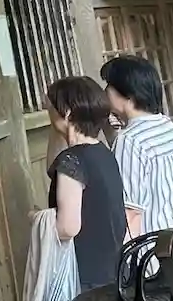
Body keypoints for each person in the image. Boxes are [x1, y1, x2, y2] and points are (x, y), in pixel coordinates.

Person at [46, 75, 128, 293]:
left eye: (51, 108)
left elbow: (68, 227)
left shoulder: (72, 161)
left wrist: (38, 220)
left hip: (85, 278)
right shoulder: (104, 153)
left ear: (67, 113)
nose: (48, 113)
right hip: (114, 271)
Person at [101, 55, 173, 236]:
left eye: (109, 85)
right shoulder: (167, 125)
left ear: (128, 95)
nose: (105, 91)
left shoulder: (129, 140)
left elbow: (131, 213)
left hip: (156, 243)